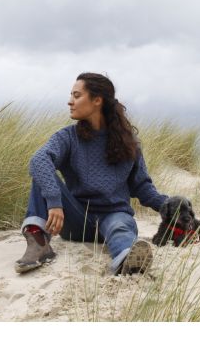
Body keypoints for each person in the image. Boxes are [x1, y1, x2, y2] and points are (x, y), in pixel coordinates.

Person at [15, 72, 168, 275]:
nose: (70, 101)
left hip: (114, 216)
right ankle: (38, 242)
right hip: (76, 219)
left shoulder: (128, 142)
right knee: (42, 170)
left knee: (120, 227)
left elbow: (142, 187)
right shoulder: (68, 137)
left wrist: (167, 206)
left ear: (97, 100)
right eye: (71, 95)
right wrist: (54, 202)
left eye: (77, 96)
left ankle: (127, 259)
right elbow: (39, 160)